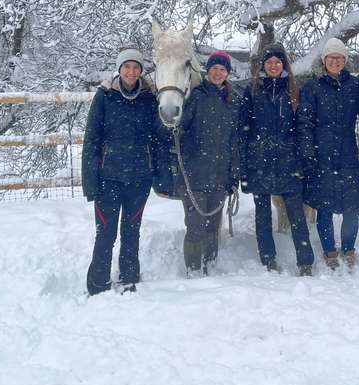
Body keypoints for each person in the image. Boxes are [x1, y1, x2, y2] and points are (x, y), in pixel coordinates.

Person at [82, 46, 162, 295]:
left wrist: (160, 173)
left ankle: (129, 276)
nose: (131, 71)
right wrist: (90, 182)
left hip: (140, 178)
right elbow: (91, 139)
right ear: (119, 69)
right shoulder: (105, 96)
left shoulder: (150, 97)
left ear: (140, 71)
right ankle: (98, 283)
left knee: (131, 230)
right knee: (105, 232)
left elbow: (159, 139)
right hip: (108, 177)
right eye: (126, 66)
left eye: (135, 67)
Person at [240, 42, 315, 276]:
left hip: (288, 163)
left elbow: (303, 128)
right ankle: (268, 259)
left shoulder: (294, 90)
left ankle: (305, 262)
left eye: (277, 62)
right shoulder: (252, 90)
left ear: (284, 65)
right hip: (259, 163)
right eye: (269, 62)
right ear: (263, 65)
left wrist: (303, 160)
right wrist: (244, 165)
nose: (273, 66)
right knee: (263, 216)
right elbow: (243, 129)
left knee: (296, 216)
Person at [297, 38, 359, 270]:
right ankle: (329, 250)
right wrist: (308, 153)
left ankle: (348, 248)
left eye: (339, 57)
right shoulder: (312, 88)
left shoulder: (355, 86)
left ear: (345, 60)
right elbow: (304, 123)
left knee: (352, 207)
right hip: (321, 155)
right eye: (331, 57)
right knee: (324, 208)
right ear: (324, 60)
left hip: (347, 154)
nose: (335, 61)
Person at [173, 50, 240, 276]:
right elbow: (180, 129)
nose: (218, 73)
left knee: (213, 226)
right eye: (214, 69)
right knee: (195, 226)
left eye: (222, 69)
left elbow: (234, 141)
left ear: (227, 73)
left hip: (219, 175)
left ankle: (209, 266)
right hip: (194, 175)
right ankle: (193, 270)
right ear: (207, 71)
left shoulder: (231, 100)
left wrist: (234, 175)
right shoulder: (196, 96)